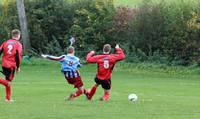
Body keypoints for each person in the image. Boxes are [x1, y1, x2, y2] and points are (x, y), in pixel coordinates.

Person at [0, 29, 23, 103]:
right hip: (11, 65)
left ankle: (8, 99)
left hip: (4, 64)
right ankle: (8, 98)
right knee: (8, 82)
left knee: (8, 81)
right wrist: (18, 66)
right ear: (18, 35)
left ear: (12, 35)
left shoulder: (5, 42)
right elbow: (18, 57)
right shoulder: (18, 44)